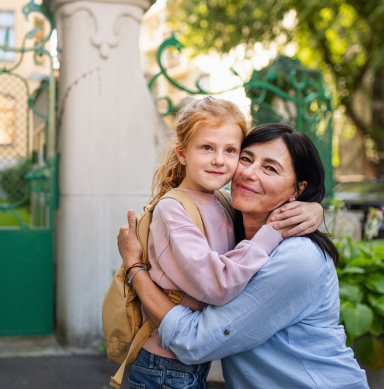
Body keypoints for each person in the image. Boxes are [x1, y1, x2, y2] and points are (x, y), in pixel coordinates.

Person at [118, 123, 369, 389]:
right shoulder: (231, 222)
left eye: (270, 168)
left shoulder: (299, 258)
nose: (248, 173)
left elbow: (197, 342)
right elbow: (197, 197)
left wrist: (135, 268)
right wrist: (315, 208)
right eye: (245, 159)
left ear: (298, 189)